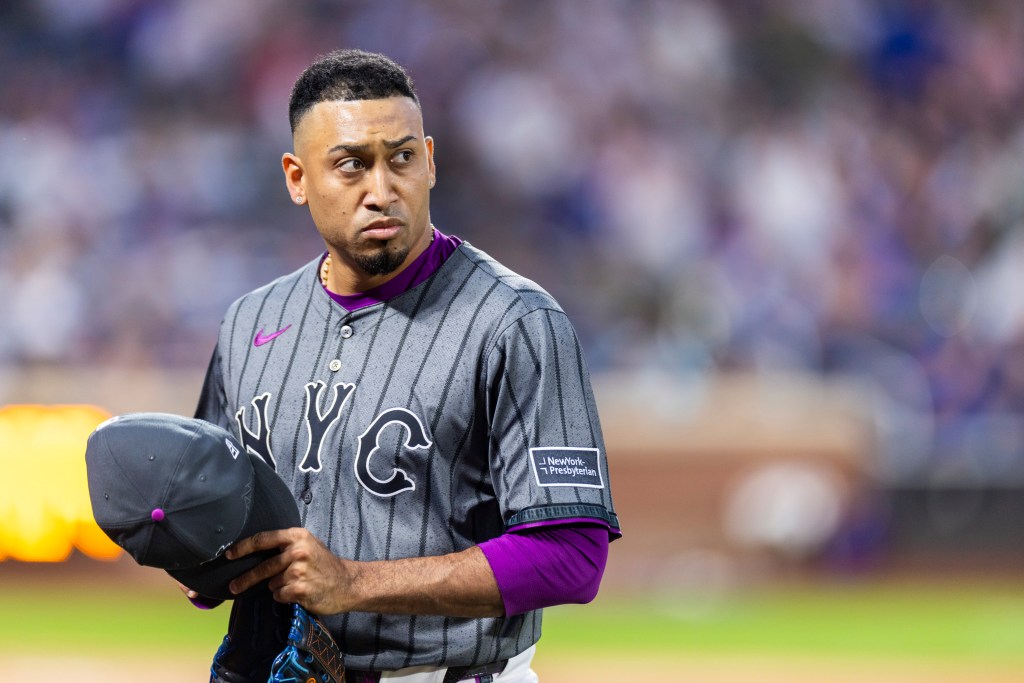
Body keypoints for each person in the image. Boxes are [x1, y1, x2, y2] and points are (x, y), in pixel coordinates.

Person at [192, 48, 620, 683]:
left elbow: (571, 557)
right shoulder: (249, 322)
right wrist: (194, 556)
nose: (382, 190)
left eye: (402, 159)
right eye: (350, 166)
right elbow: (216, 526)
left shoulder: (516, 322)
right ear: (296, 177)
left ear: (430, 162)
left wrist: (355, 583)